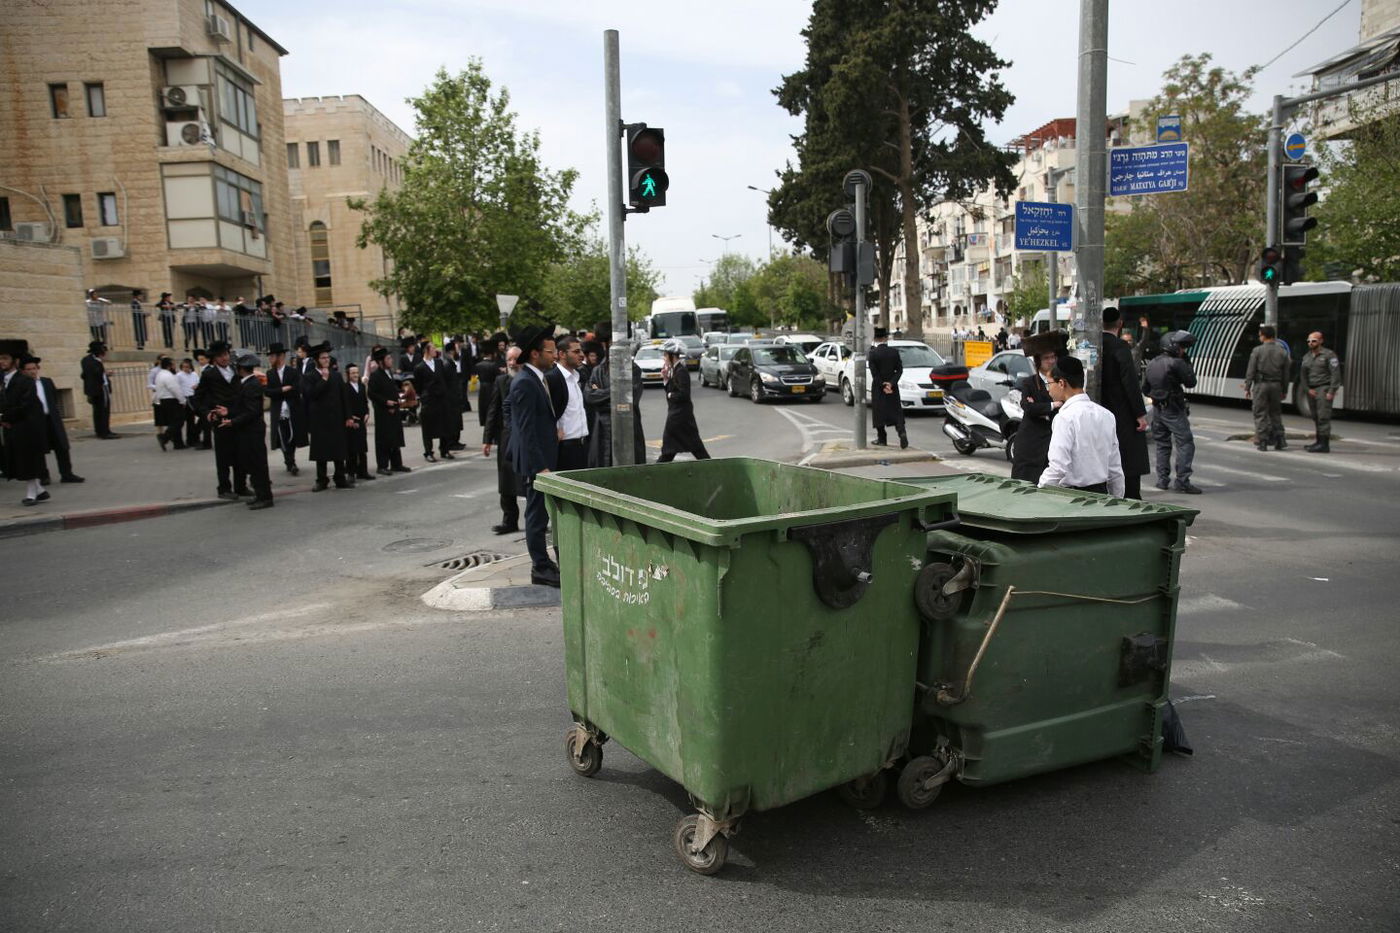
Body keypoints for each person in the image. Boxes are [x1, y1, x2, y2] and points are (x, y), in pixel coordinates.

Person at [506, 325, 560, 587]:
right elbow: (525, 431)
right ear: (535, 354)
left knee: (541, 515)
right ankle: (540, 567)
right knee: (536, 517)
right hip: (537, 464)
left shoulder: (537, 378)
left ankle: (544, 563)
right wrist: (540, 467)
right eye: (550, 352)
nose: (555, 356)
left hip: (544, 458)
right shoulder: (525, 382)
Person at [1037, 356, 1125, 497]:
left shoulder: (1065, 418)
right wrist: (1117, 499)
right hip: (1100, 496)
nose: (1048, 390)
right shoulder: (1106, 415)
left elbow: (1058, 467)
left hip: (1071, 497)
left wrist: (1038, 492)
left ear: (1061, 383)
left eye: (1049, 384)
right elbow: (1115, 469)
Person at [1100, 308, 1150, 499]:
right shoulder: (1120, 347)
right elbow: (1129, 381)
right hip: (1120, 413)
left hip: (1098, 409)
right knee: (1127, 460)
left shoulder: (1091, 345)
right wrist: (1139, 413)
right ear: (1119, 324)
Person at [1142, 330, 1201, 494]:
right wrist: (1187, 363)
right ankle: (1182, 481)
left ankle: (1162, 480)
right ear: (1173, 346)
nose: (1183, 351)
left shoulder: (1153, 362)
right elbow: (1191, 382)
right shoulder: (1176, 363)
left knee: (1162, 445)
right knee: (1186, 443)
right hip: (1173, 409)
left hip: (1157, 410)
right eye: (1182, 347)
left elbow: (1145, 389)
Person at [193, 341, 251, 499]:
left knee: (241, 454)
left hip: (237, 417)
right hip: (221, 421)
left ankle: (241, 486)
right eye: (221, 355)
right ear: (214, 358)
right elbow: (197, 399)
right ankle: (224, 488)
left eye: (226, 354)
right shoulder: (209, 374)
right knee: (223, 456)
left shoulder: (235, 369)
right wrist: (206, 414)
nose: (225, 358)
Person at [584, 321, 645, 467]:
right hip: (602, 432)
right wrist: (618, 392)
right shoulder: (598, 370)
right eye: (613, 343)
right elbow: (590, 396)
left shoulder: (633, 370)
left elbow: (630, 401)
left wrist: (603, 395)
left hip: (628, 429)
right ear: (605, 345)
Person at [19, 357, 85, 484]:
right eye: (28, 369)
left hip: (51, 418)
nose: (32, 371)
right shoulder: (23, 385)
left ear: (38, 369)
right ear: (23, 371)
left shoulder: (46, 382)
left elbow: (53, 398)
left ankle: (67, 474)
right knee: (39, 448)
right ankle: (43, 475)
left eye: (34, 368)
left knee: (62, 446)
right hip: (36, 421)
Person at [221, 354, 274, 510]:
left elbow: (252, 411)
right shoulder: (247, 383)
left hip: (253, 432)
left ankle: (265, 497)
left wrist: (233, 421)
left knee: (258, 465)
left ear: (241, 369)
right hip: (247, 431)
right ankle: (259, 494)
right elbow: (242, 407)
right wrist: (228, 412)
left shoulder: (252, 385)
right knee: (251, 463)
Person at [1010, 331, 1063, 483]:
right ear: (1038, 361)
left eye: (1053, 357)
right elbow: (1028, 408)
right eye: (1047, 358)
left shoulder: (1061, 382)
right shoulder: (1029, 383)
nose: (1051, 361)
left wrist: (1041, 407)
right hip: (1030, 445)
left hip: (1052, 445)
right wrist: (1053, 405)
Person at [483, 345, 522, 535]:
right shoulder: (501, 381)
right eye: (509, 360)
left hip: (526, 436)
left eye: (516, 359)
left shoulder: (531, 379)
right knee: (506, 480)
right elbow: (493, 410)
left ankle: (540, 519)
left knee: (529, 479)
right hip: (506, 437)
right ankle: (509, 520)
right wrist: (487, 439)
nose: (513, 363)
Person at [1, 351, 49, 505]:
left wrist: (5, 418)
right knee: (19, 459)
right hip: (12, 426)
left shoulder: (24, 381)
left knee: (27, 460)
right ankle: (40, 491)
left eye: (5, 358)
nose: (1, 361)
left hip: (26, 426)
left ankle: (32, 493)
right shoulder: (4, 380)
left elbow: (26, 405)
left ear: (15, 361)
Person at [303, 345, 352, 491]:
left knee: (339, 450)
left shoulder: (336, 375)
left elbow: (344, 397)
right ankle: (322, 479)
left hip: (336, 417)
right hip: (319, 419)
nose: (326, 360)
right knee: (321, 452)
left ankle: (340, 478)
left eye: (328, 357)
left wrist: (348, 416)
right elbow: (310, 395)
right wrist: (323, 380)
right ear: (317, 360)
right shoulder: (310, 376)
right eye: (323, 358)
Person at [656, 339, 710, 463]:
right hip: (679, 417)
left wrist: (670, 395)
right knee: (672, 450)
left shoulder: (681, 371)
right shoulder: (675, 370)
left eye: (665, 355)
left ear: (672, 356)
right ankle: (710, 467)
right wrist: (666, 379)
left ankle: (712, 468)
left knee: (692, 448)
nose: (664, 358)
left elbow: (683, 394)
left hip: (680, 418)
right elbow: (674, 389)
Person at [545, 335, 590, 470]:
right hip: (564, 448)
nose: (581, 355)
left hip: (582, 445)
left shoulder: (579, 376)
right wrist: (554, 430)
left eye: (581, 351)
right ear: (562, 354)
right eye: (576, 352)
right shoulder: (552, 378)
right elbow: (546, 410)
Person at [1244, 324, 1291, 451]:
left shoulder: (1257, 351)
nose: (1259, 337)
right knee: (1275, 413)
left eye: (1260, 335)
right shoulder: (1282, 352)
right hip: (1276, 385)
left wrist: (1247, 387)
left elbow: (1251, 370)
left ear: (1264, 336)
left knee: (1260, 413)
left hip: (1261, 385)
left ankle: (1263, 441)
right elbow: (1286, 373)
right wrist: (1285, 389)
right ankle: (1280, 440)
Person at [263, 342, 306, 476]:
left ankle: (290, 459)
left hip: (292, 408)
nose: (270, 359)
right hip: (278, 410)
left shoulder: (292, 372)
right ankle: (290, 462)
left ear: (280, 356)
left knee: (292, 436)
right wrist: (281, 389)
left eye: (272, 356)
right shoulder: (270, 373)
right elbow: (268, 391)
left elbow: (296, 389)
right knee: (281, 436)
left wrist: (285, 391)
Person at [367, 348, 410, 475]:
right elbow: (371, 393)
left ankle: (396, 463)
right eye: (388, 359)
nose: (391, 361)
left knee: (395, 437)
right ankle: (382, 465)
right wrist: (385, 402)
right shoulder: (375, 376)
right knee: (384, 439)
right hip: (383, 412)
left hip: (394, 409)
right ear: (381, 362)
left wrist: (400, 395)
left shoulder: (389, 373)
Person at [1300, 331, 1341, 453]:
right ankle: (1318, 441)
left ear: (1321, 341)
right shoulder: (1306, 357)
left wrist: (1332, 390)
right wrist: (1307, 389)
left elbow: (1335, 374)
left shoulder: (1329, 355)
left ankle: (1324, 444)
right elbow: (1303, 375)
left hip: (1324, 388)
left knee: (1323, 416)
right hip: (1311, 390)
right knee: (1315, 416)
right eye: (1309, 341)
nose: (1310, 343)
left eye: (1314, 341)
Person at [413, 341, 454, 462]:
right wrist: (424, 395)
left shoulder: (439, 363)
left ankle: (445, 449)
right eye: (433, 348)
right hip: (429, 400)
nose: (435, 350)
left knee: (444, 424)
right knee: (428, 427)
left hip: (441, 398)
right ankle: (428, 452)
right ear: (426, 350)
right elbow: (418, 386)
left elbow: (444, 379)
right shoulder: (419, 367)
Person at [867, 327, 907, 448]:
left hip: (879, 388)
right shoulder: (894, 352)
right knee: (896, 410)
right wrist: (891, 383)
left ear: (875, 339)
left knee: (879, 412)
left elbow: (875, 373)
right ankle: (902, 432)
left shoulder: (873, 354)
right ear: (885, 338)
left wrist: (883, 385)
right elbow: (899, 370)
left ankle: (882, 438)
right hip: (893, 387)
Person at [79, 340, 119, 439]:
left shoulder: (86, 360)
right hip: (100, 389)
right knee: (103, 410)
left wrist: (104, 374)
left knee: (98, 411)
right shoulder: (95, 362)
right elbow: (95, 375)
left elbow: (84, 375)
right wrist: (103, 374)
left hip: (93, 390)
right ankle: (104, 432)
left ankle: (101, 431)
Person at [343, 363, 375, 482]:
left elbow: (364, 401)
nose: (356, 375)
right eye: (353, 373)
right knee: (352, 449)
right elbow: (345, 404)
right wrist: (351, 417)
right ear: (348, 374)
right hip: (352, 421)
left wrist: (367, 413)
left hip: (361, 420)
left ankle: (363, 471)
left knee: (362, 448)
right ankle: (351, 472)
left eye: (357, 372)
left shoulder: (361, 386)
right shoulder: (345, 387)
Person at [151, 356, 187, 450]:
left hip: (164, 400)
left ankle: (178, 443)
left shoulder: (160, 375)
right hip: (171, 400)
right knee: (179, 421)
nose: (175, 366)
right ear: (169, 366)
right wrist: (182, 400)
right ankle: (165, 437)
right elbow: (175, 389)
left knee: (173, 422)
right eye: (173, 364)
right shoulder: (168, 376)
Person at [440, 340, 466, 452]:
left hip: (454, 395)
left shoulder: (450, 362)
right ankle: (451, 442)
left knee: (456, 419)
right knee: (452, 420)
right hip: (450, 396)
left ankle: (455, 440)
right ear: (451, 351)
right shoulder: (447, 364)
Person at [177, 358, 203, 449]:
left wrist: (197, 386)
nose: (186, 369)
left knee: (200, 417)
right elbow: (177, 387)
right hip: (187, 397)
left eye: (187, 367)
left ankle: (194, 436)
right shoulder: (179, 375)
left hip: (194, 396)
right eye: (184, 367)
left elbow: (199, 382)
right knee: (190, 420)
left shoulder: (194, 374)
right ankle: (191, 439)